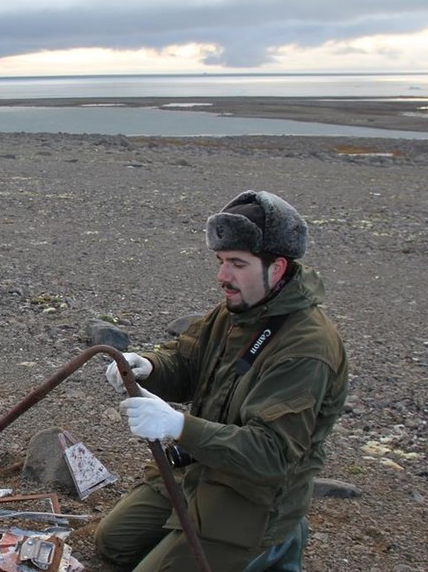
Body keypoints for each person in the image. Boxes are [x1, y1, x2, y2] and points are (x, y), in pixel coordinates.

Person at [95, 190, 348, 572]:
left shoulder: (306, 349)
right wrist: (148, 366)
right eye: (220, 261)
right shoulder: (236, 311)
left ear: (277, 268)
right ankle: (191, 536)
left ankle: (277, 545)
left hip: (255, 496)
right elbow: (187, 363)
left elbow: (271, 454)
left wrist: (178, 425)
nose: (222, 276)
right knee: (112, 545)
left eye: (236, 263)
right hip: (202, 468)